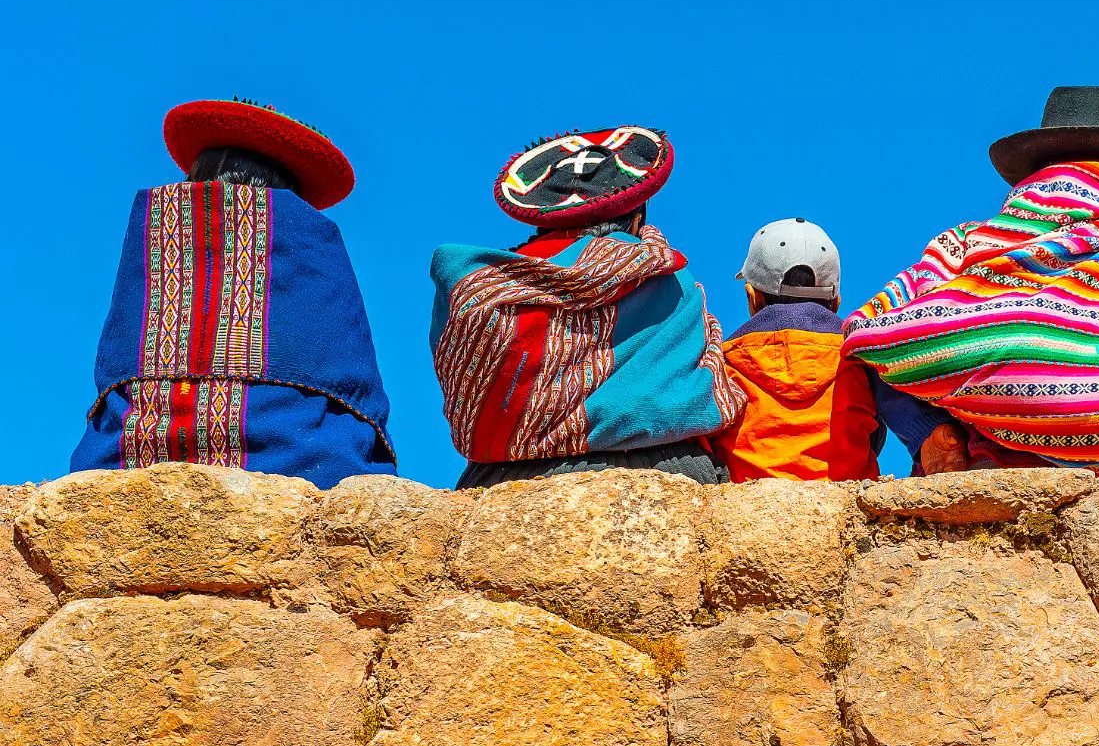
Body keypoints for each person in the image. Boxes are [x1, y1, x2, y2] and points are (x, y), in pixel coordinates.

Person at [845, 86, 1099, 479]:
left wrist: (924, 431)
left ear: (1033, 178)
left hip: (988, 469)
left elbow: (865, 332)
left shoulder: (964, 245)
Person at [72, 98, 396, 489]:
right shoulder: (316, 250)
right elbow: (346, 376)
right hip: (303, 460)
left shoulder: (154, 233)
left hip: (126, 460)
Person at [430, 126, 745, 488]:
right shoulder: (671, 280)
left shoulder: (475, 288)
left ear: (542, 215)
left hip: (504, 477)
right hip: (663, 469)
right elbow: (705, 377)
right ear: (637, 215)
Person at [709, 218, 883, 481]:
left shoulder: (722, 361)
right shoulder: (861, 358)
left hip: (747, 496)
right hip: (842, 492)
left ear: (752, 297)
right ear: (836, 303)